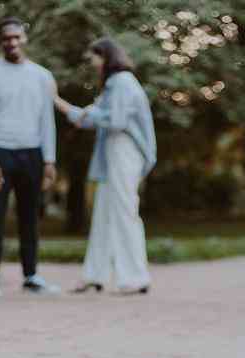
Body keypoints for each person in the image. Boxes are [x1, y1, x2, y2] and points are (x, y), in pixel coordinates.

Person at [54, 38, 156, 295]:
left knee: (124, 211)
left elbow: (117, 121)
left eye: (94, 59)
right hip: (113, 150)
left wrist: (88, 113)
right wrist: (57, 101)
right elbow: (87, 119)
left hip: (124, 149)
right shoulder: (113, 86)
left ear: (106, 57)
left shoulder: (121, 81)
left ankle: (135, 277)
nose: (92, 65)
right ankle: (94, 274)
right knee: (104, 214)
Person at [0, 17, 60, 298]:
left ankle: (31, 275)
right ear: (0, 42)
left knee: (30, 217)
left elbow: (48, 120)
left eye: (16, 37)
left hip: (32, 153)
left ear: (24, 38)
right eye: (6, 38)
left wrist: (49, 160)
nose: (12, 42)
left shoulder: (42, 76)